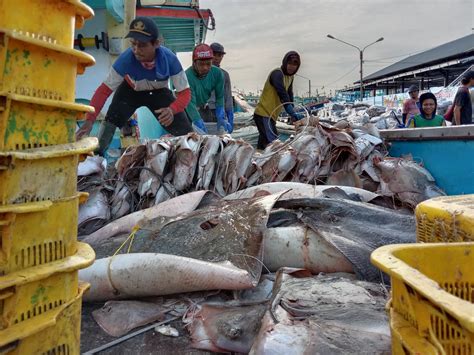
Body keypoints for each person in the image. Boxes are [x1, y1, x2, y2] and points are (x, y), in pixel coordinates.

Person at [76, 16, 193, 155]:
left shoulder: (170, 60)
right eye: (133, 44)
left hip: (159, 93)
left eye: (142, 45)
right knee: (110, 122)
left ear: (156, 43)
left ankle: (188, 158)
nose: (136, 50)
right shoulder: (125, 59)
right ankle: (96, 158)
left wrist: (172, 110)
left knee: (186, 131)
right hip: (130, 91)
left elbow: (185, 93)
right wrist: (90, 120)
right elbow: (103, 91)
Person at [253, 51, 303, 149]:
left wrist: (292, 111)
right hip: (263, 114)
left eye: (295, 64)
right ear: (285, 62)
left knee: (263, 145)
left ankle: (256, 161)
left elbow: (289, 94)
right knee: (274, 144)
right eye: (289, 63)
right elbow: (282, 93)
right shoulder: (277, 73)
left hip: (272, 116)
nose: (291, 66)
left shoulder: (290, 77)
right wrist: (290, 111)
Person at [185, 44, 231, 134]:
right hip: (189, 108)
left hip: (204, 106)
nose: (205, 68)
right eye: (201, 64)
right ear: (194, 63)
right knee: (192, 134)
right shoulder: (187, 76)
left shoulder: (217, 73)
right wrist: (196, 120)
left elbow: (220, 96)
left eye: (208, 64)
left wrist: (220, 114)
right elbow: (190, 103)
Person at [203, 42, 234, 133]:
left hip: (220, 112)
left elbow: (228, 97)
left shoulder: (225, 74)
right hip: (204, 111)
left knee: (220, 138)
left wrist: (230, 117)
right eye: (214, 54)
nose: (216, 58)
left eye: (219, 55)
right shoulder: (201, 72)